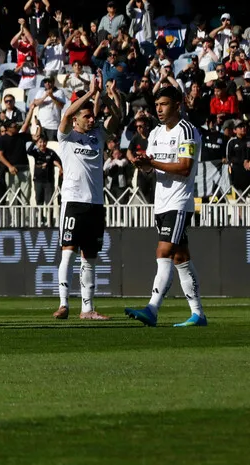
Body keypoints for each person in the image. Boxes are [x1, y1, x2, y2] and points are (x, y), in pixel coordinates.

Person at [126, 87, 207, 328]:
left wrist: (152, 162)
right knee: (181, 258)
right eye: (157, 104)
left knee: (163, 252)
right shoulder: (156, 133)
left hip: (178, 202)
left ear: (177, 105)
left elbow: (184, 168)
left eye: (164, 104)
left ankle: (152, 309)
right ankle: (198, 314)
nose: (159, 109)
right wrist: (143, 164)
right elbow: (152, 167)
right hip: (160, 202)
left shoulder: (187, 131)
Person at [54, 77, 123, 321]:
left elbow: (117, 118)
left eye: (92, 115)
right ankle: (63, 304)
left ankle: (87, 309)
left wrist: (104, 96)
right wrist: (90, 93)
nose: (91, 119)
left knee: (90, 257)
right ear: (76, 118)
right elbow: (65, 115)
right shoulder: (66, 136)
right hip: (73, 202)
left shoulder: (98, 135)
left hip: (96, 203)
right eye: (87, 116)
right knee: (68, 253)